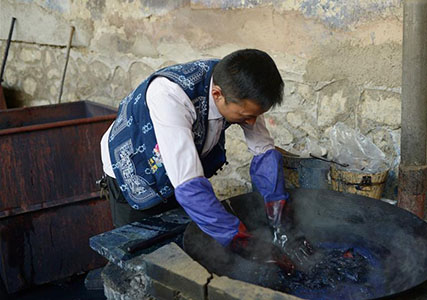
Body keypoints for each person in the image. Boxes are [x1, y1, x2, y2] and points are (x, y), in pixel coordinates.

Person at [99, 49, 313, 269]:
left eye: (255, 115)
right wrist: (243, 242)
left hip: (179, 171)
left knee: (181, 243)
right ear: (218, 95)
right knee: (140, 258)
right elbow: (188, 182)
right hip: (135, 170)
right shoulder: (169, 96)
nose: (251, 123)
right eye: (245, 117)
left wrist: (278, 215)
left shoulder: (238, 88)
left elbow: (263, 151)